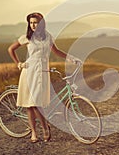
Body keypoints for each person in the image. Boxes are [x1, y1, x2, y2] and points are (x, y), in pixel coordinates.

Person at [8, 12, 78, 143]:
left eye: (36, 22)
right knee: (30, 104)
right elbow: (11, 49)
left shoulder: (48, 37)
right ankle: (34, 132)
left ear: (42, 23)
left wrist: (70, 58)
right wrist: (18, 63)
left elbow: (56, 51)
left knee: (37, 103)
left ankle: (45, 128)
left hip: (42, 72)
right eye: (31, 22)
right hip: (29, 72)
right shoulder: (27, 37)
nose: (33, 25)